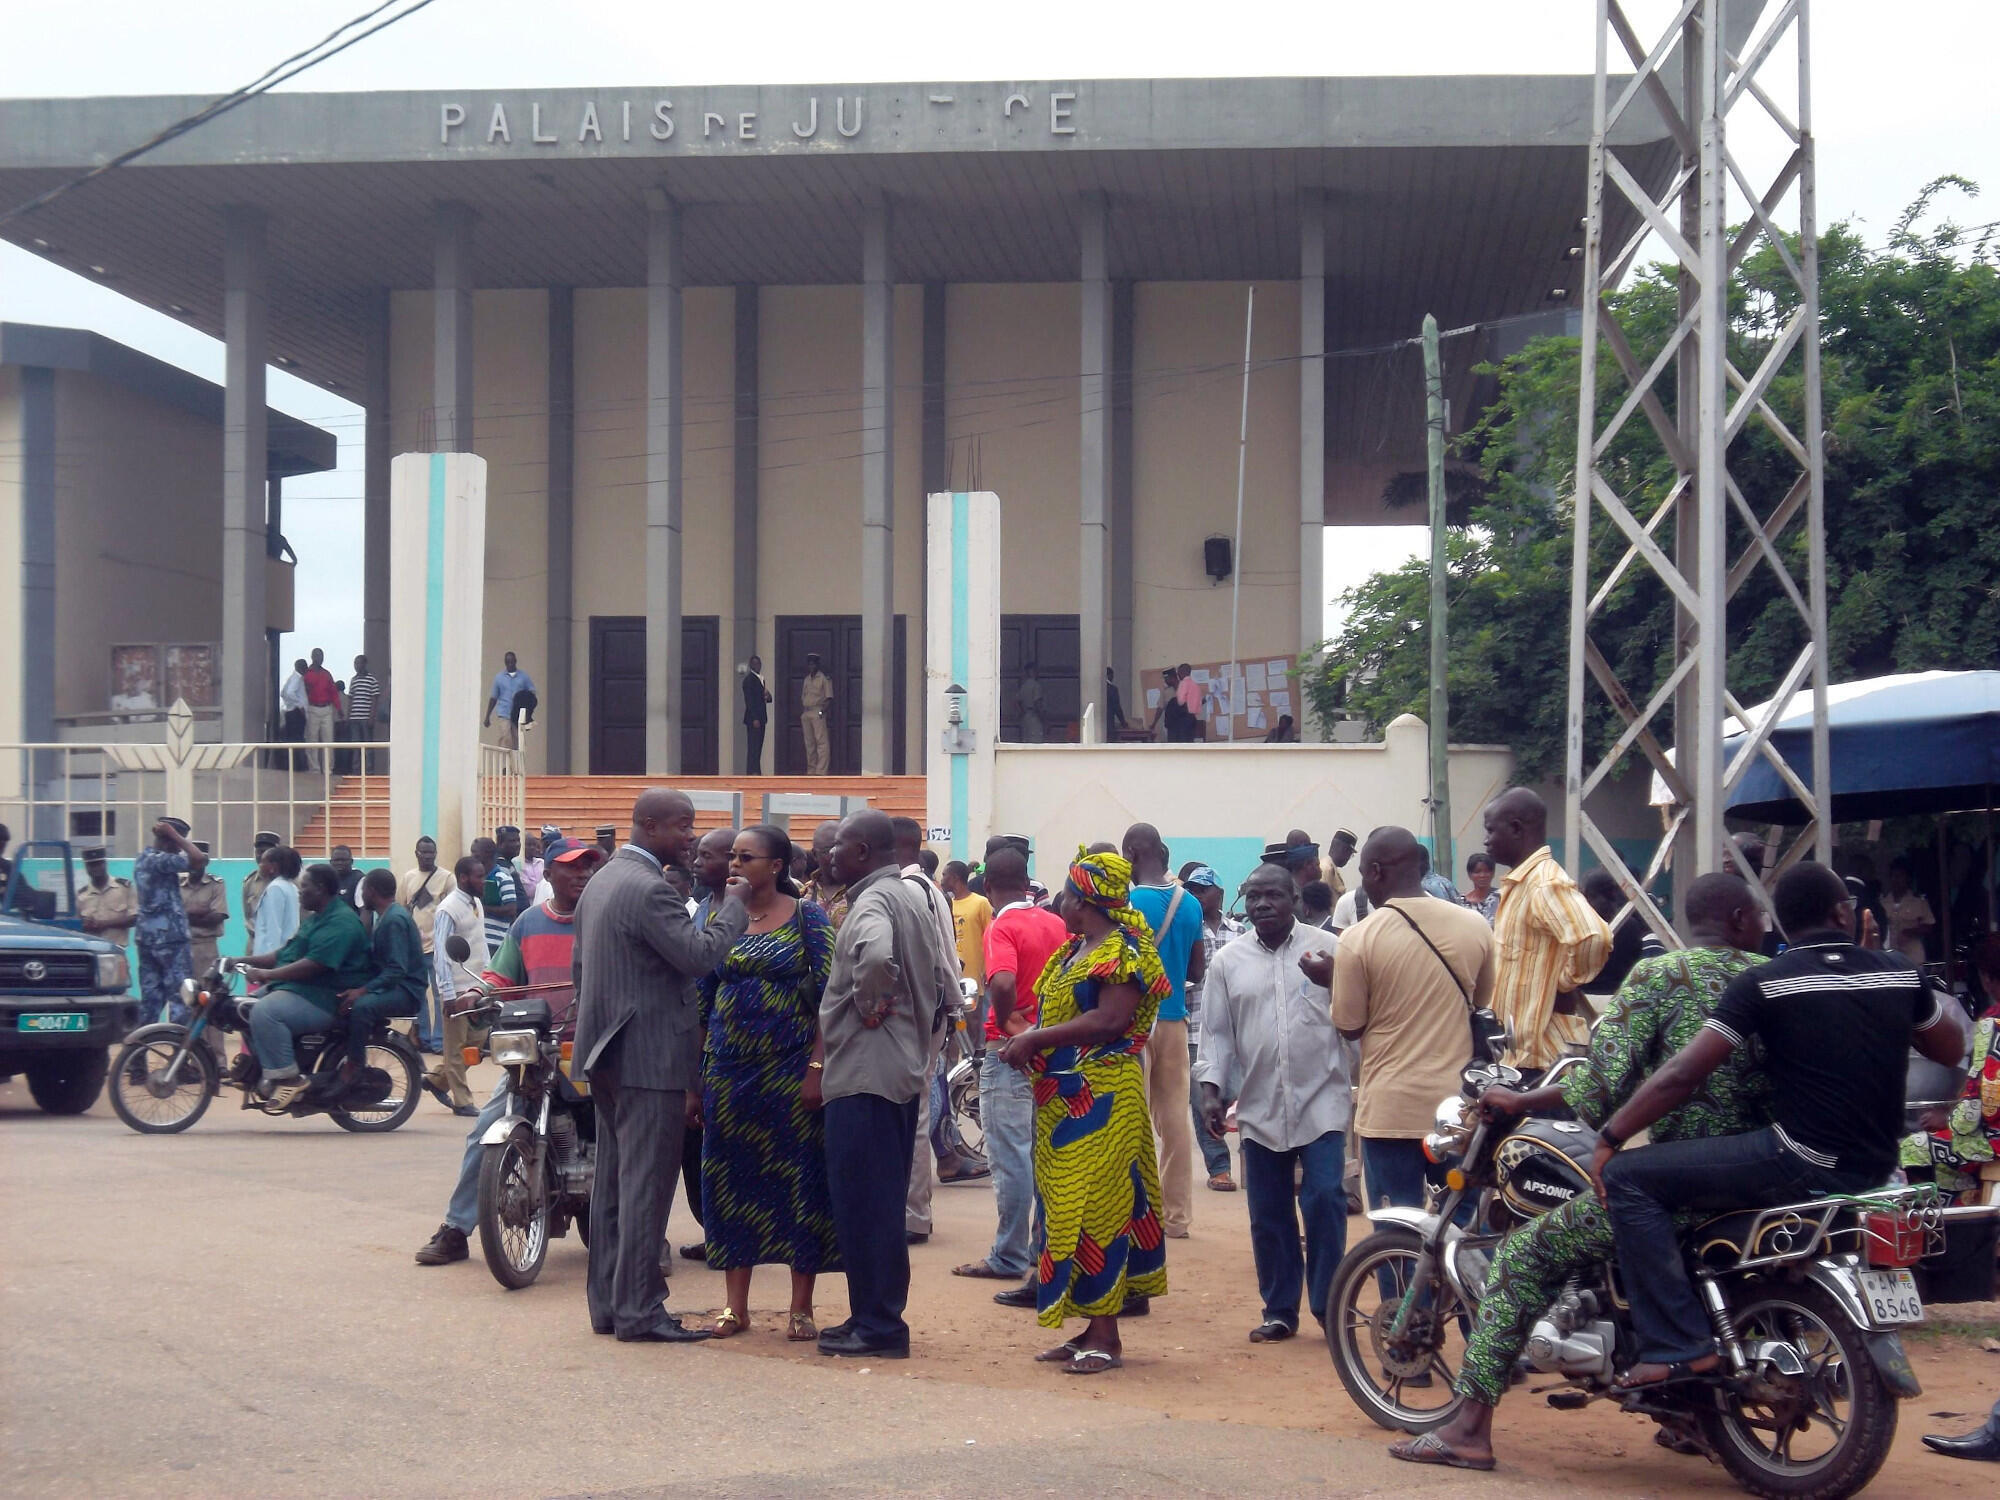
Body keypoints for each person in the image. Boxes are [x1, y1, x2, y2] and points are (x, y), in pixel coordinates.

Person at [1393, 873, 1774, 1471]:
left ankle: (1468, 1429)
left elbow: (1598, 1088)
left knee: (1521, 1258)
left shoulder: (1662, 975)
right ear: (1741, 918)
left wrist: (1522, 1100)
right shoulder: (1771, 978)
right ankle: (1688, 1417)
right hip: (1767, 1176)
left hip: (1681, 1186)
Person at [1593, 863, 1971, 1391]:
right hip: (1878, 1163)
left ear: (1780, 924)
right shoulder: (1895, 973)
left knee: (1631, 1177)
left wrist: (1611, 1138)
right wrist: (1880, 986)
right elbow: (1951, 1050)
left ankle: (1678, 1346)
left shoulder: (1766, 981)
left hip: (1801, 1159)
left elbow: (1682, 1073)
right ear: (1844, 912)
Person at [572, 789, 749, 1343]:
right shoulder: (650, 889)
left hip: (606, 1051)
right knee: (645, 1189)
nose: (691, 837)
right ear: (649, 826)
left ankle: (610, 1304)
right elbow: (698, 957)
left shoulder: (602, 880)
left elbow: (582, 969)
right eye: (683, 826)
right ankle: (641, 1312)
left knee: (614, 1188)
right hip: (649, 1057)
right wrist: (734, 907)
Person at [997, 847, 1172, 1373]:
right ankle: (1088, 1327)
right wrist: (1024, 1035)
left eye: (1068, 892)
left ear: (1086, 899)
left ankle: (1107, 1336)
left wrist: (1038, 1038)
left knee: (1100, 1210)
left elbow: (1109, 1021)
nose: (1059, 900)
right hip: (1061, 1100)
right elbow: (1057, 1011)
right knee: (1063, 1211)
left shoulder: (1121, 950)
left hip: (1103, 1099)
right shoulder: (1075, 949)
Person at [416, 836, 604, 1267]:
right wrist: (475, 995)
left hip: (590, 1046)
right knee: (484, 1128)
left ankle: (646, 1240)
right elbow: (500, 975)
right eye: (572, 867)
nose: (582, 874)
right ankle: (456, 1228)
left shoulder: (603, 920)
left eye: (587, 867)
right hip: (535, 1044)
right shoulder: (527, 923)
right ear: (550, 872)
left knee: (624, 1131)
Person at [815, 809, 955, 1357]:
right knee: (881, 1200)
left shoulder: (873, 901)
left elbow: (873, 954)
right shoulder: (910, 895)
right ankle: (873, 1316)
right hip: (897, 1066)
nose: (830, 855)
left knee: (864, 1202)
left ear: (865, 853)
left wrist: (870, 1001)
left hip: (867, 1071)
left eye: (840, 846)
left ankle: (877, 1325)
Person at [697, 825, 840, 1340]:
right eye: (732, 857)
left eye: (746, 857)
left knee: (799, 1183)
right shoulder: (718, 917)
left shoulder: (809, 918)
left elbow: (830, 999)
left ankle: (801, 1307)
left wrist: (817, 1069)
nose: (735, 865)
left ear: (776, 866)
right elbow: (701, 1000)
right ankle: (736, 1307)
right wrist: (696, 1081)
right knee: (730, 1181)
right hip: (730, 1071)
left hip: (790, 1069)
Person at [1196, 863, 1348, 1342]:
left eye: (1273, 896)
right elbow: (1216, 1035)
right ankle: (1280, 1309)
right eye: (1254, 896)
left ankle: (1329, 1306)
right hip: (1259, 1106)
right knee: (1269, 1212)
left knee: (1324, 1198)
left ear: (1295, 898)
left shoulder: (1331, 952)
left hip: (1321, 1099)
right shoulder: (1228, 962)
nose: (1263, 904)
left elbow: (1354, 1017)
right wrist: (1212, 1091)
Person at [1323, 827, 1495, 1214]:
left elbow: (1349, 1025)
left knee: (1395, 1233)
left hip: (1390, 1111)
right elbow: (1482, 1006)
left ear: (1376, 872)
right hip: (1458, 1110)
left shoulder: (1358, 938)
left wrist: (1329, 981)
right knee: (1461, 1226)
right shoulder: (1475, 927)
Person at [950, 846, 1069, 1289]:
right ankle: (1041, 1249)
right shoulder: (1056, 922)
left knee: (1010, 1156)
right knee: (1042, 1156)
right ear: (1026, 882)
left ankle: (1008, 1253)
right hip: (1051, 1047)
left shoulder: (1004, 925)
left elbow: (1001, 980)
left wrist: (1009, 1021)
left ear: (989, 886)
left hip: (1010, 1049)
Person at [1482, 788, 1611, 1078]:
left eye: (1491, 830)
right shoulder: (1521, 884)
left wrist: (1562, 984)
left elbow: (1593, 938)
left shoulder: (1544, 883)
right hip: (1517, 1055)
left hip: (1542, 1059)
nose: (1486, 840)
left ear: (1516, 828)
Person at [892, 816, 979, 1240]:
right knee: (917, 1108)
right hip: (931, 1013)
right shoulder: (929, 889)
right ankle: (913, 1211)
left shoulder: (909, 891)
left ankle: (912, 1215)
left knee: (912, 1112)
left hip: (915, 1017)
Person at [1122, 823, 1204, 1240]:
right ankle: (1176, 1219)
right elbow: (1197, 969)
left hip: (1135, 1020)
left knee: (1132, 1121)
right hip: (1174, 1019)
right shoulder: (1190, 903)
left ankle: (1138, 1217)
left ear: (1134, 852)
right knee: (1175, 1121)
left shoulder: (1127, 903)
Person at [239, 863, 373, 1109]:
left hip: (325, 997)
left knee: (265, 1012)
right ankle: (263, 1070)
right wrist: (239, 961)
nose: (300, 892)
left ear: (320, 889)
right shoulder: (317, 919)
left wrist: (267, 975)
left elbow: (314, 965)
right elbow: (285, 953)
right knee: (243, 1008)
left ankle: (289, 1078)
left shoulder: (340, 922)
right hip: (303, 990)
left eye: (304, 887)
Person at [1902, 932, 2000, 1201]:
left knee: (1911, 1148)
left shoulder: (1992, 1024)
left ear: (1987, 978)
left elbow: (1982, 1104)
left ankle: (1956, 1223)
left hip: (1995, 1142)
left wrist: (1947, 1118)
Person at [336, 868, 427, 1088]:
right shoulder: (386, 916)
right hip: (397, 986)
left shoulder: (394, 920)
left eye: (364, 890)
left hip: (407, 990)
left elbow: (397, 969)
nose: (362, 896)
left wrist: (363, 990)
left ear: (372, 891)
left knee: (361, 1007)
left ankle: (355, 1065)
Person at [1180, 864, 1241, 1191]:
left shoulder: (1239, 932)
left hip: (1237, 1032)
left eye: (1202, 890)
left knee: (1242, 1096)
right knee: (1204, 1099)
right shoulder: (1189, 929)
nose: (1195, 896)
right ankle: (1219, 1167)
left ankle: (1254, 1160)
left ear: (1219, 893)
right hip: (1196, 1030)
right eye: (1191, 890)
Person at [428, 855, 489, 1115]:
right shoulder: (448, 909)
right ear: (464, 878)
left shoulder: (476, 902)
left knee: (476, 1042)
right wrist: (448, 994)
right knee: (456, 1047)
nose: (484, 881)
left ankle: (437, 1079)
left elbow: (479, 943)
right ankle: (463, 1101)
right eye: (479, 876)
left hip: (477, 985)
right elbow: (441, 952)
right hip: (457, 988)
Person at [132, 818, 206, 1026]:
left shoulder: (142, 858)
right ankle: (179, 1053)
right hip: (170, 939)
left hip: (146, 938)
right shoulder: (161, 860)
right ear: (171, 842)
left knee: (150, 999)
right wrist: (175, 835)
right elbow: (198, 859)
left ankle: (138, 1054)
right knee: (181, 997)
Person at [397, 837, 449, 1052]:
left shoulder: (446, 878)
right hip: (414, 949)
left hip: (438, 947)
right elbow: (400, 908)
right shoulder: (408, 878)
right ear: (416, 853)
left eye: (431, 853)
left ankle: (439, 1042)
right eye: (424, 852)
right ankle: (424, 1039)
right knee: (418, 993)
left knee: (440, 996)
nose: (428, 856)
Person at [940, 861, 992, 1040]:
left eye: (945, 875)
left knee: (974, 1022)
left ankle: (978, 1058)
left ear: (954, 878)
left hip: (974, 974)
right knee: (953, 1025)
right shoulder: (946, 903)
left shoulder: (980, 903)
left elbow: (990, 936)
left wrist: (988, 968)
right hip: (952, 972)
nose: (942, 879)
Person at [1580, 867, 1646, 1004]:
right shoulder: (1630, 924)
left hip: (1584, 1000)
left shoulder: (1579, 925)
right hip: (1620, 999)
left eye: (1587, 895)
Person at [77, 846, 137, 956]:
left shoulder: (124, 888)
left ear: (105, 863)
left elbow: (135, 918)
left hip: (117, 952)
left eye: (99, 864)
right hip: (91, 954)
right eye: (91, 865)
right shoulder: (81, 895)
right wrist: (85, 924)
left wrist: (103, 924)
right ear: (86, 867)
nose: (96, 868)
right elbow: (76, 926)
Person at [179, 843, 228, 978]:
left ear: (206, 862)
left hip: (205, 948)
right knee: (181, 993)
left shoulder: (216, 884)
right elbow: (171, 915)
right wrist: (199, 912)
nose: (192, 865)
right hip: (181, 947)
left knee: (205, 992)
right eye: (190, 861)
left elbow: (216, 917)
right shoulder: (177, 883)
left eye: (197, 861)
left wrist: (183, 914)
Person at [1882, 856, 1936, 966]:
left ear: (1908, 878)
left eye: (1899, 876)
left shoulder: (1919, 901)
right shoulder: (1882, 901)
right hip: (1889, 957)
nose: (1895, 880)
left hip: (1913, 957)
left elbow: (1929, 925)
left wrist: (1911, 932)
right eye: (1892, 876)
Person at [250, 845, 302, 957]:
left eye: (263, 862)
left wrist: (269, 961)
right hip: (286, 953)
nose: (260, 866)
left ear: (273, 866)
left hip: (271, 958)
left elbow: (273, 929)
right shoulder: (290, 886)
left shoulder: (275, 888)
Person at [800, 819, 850, 930]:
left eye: (839, 847)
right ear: (814, 854)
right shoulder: (803, 894)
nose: (835, 854)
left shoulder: (859, 892)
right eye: (827, 850)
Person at [480, 828, 524, 954]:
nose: (517, 844)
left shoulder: (508, 864)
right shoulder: (500, 870)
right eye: (512, 841)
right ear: (500, 845)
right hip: (497, 938)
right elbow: (511, 908)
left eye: (518, 840)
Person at [484, 651, 536, 749]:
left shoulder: (523, 677)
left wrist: (527, 711)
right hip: (504, 713)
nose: (510, 664)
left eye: (512, 662)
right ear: (505, 663)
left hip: (517, 714)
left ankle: (513, 763)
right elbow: (493, 698)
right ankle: (505, 764)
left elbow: (532, 693)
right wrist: (487, 716)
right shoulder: (499, 678)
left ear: (515, 661)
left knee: (517, 741)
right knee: (506, 739)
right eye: (508, 662)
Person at [301, 648, 338, 771]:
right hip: (312, 709)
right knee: (312, 741)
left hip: (327, 709)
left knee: (329, 741)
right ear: (313, 657)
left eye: (322, 656)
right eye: (318, 656)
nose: (320, 658)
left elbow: (333, 692)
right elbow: (302, 693)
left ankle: (329, 769)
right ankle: (314, 769)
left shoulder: (327, 674)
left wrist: (339, 708)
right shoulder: (307, 674)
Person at [345, 654, 381, 772]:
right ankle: (356, 771)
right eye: (355, 663)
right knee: (356, 745)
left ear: (365, 664)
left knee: (368, 745)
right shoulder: (353, 680)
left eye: (359, 663)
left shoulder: (372, 680)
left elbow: (375, 700)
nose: (357, 665)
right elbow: (350, 699)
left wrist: (372, 717)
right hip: (354, 718)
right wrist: (348, 716)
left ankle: (369, 771)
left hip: (366, 718)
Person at [799, 652, 834, 775]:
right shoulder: (807, 679)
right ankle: (811, 770)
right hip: (807, 712)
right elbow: (803, 696)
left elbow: (829, 698)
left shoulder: (824, 679)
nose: (811, 666)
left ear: (817, 665)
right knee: (809, 743)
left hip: (817, 711)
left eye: (813, 664)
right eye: (809, 664)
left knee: (821, 742)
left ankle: (821, 770)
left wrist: (821, 711)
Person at [242, 830, 281, 935]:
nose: (261, 856)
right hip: (255, 941)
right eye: (258, 852)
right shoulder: (250, 882)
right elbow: (248, 915)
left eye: (266, 852)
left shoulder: (288, 882)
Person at [742, 654, 773, 774]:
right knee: (753, 747)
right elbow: (749, 700)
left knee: (758, 746)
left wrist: (768, 696)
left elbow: (764, 698)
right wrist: (754, 718)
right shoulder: (749, 680)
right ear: (751, 665)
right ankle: (752, 772)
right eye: (755, 664)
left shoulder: (761, 679)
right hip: (754, 719)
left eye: (759, 664)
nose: (757, 666)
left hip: (761, 717)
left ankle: (756, 771)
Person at [279, 659, 309, 753]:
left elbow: (283, 693)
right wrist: (299, 705)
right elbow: (290, 692)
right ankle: (297, 765)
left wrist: (289, 704)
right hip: (297, 713)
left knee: (291, 739)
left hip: (290, 712)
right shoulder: (297, 678)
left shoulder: (291, 678)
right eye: (305, 666)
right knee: (298, 740)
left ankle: (291, 763)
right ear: (301, 667)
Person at [1464, 851, 1499, 922]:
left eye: (1487, 871)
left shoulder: (1501, 898)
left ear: (1493, 873)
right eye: (1477, 872)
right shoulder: (1463, 903)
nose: (1482, 875)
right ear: (1470, 875)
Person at [1016, 663, 1047, 742]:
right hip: (1034, 717)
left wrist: (1022, 712)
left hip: (1025, 717)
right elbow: (1037, 704)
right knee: (1036, 742)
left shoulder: (1023, 686)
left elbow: (1017, 702)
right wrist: (1044, 721)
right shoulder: (1036, 686)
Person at [329, 845, 364, 914]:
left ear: (352, 861)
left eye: (343, 860)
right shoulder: (326, 879)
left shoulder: (359, 879)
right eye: (336, 860)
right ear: (330, 862)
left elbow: (365, 911)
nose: (340, 863)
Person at [1104, 667, 1127, 733]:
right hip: (1109, 722)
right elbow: (1117, 707)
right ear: (1109, 675)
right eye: (1112, 675)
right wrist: (1123, 722)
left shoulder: (1097, 688)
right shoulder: (1112, 689)